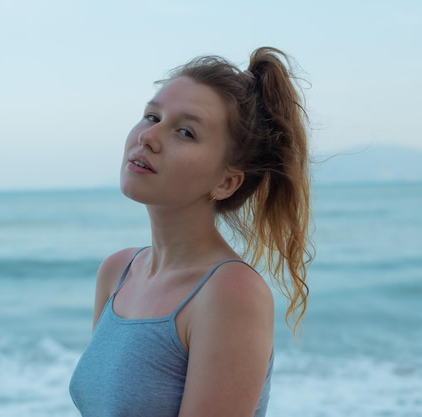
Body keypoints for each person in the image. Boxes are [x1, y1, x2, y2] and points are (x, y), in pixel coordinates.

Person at [69, 46, 313, 417]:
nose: (148, 137)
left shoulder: (230, 293)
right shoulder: (117, 271)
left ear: (227, 182)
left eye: (185, 131)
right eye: (152, 116)